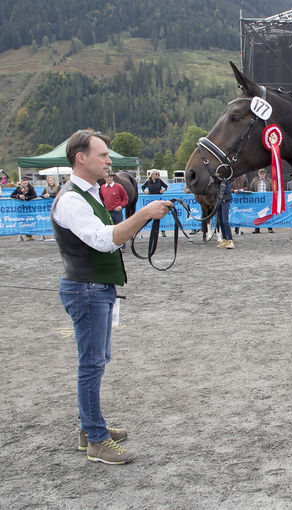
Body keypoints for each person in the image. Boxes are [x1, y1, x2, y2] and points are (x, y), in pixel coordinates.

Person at [52, 129, 173, 465]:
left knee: (96, 361)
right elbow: (105, 240)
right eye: (103, 155)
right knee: (91, 365)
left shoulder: (88, 194)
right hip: (86, 289)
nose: (109, 161)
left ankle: (89, 428)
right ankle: (95, 439)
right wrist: (145, 213)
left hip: (94, 288)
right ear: (81, 158)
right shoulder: (73, 200)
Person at [99, 170, 129, 251]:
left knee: (120, 229)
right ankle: (110, 246)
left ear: (112, 177)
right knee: (108, 230)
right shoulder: (102, 188)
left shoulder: (119, 187)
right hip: (107, 212)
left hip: (116, 211)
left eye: (110, 177)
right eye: (107, 177)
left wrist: (121, 206)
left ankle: (122, 246)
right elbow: (101, 199)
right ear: (104, 178)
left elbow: (125, 198)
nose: (108, 178)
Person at [142, 170, 168, 236]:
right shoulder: (148, 182)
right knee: (151, 215)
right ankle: (152, 230)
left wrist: (163, 190)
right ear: (152, 175)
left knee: (160, 215)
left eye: (158, 174)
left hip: (159, 200)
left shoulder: (159, 181)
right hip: (151, 201)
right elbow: (142, 187)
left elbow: (166, 186)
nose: (157, 175)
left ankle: (163, 231)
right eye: (156, 174)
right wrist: (145, 191)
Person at [249, 168, 274, 233]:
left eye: (263, 173)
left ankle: (270, 228)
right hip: (258, 200)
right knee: (257, 214)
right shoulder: (254, 180)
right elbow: (251, 189)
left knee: (268, 214)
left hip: (267, 200)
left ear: (265, 174)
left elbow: (273, 190)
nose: (262, 175)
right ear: (258, 174)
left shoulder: (270, 181)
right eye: (261, 174)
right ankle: (257, 229)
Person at [216, 179, 234, 249]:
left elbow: (227, 190)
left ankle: (230, 240)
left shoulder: (228, 180)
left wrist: (220, 187)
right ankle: (225, 238)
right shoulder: (217, 181)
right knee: (220, 221)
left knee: (225, 220)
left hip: (225, 200)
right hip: (219, 200)